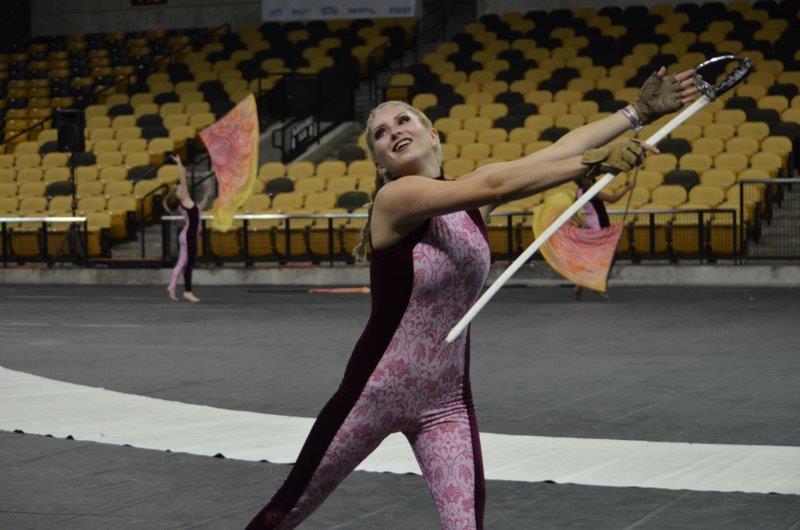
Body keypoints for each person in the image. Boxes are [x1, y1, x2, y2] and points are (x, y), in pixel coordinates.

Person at [246, 67, 698, 529]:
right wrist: (591, 165)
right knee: (287, 510)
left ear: (432, 135)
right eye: (380, 133)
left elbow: (555, 152)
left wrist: (635, 113)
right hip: (372, 394)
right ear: (380, 163)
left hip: (446, 404)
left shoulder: (469, 202)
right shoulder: (396, 199)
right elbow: (494, 185)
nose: (393, 132)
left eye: (403, 120)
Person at [573, 177, 634, 300]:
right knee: (607, 258)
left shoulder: (579, 192)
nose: (589, 179)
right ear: (583, 181)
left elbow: (576, 209)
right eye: (586, 178)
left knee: (595, 257)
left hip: (591, 224)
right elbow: (613, 198)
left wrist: (582, 222)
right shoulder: (593, 191)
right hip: (600, 226)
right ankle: (598, 286)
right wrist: (627, 188)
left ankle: (581, 284)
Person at [165, 155, 211, 303]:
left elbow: (200, 208)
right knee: (189, 264)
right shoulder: (184, 200)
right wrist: (179, 162)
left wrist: (206, 196)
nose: (182, 187)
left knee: (182, 262)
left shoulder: (189, 202)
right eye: (180, 189)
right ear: (180, 195)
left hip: (186, 234)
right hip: (189, 235)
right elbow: (183, 177)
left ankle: (172, 287)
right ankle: (188, 291)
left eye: (181, 187)